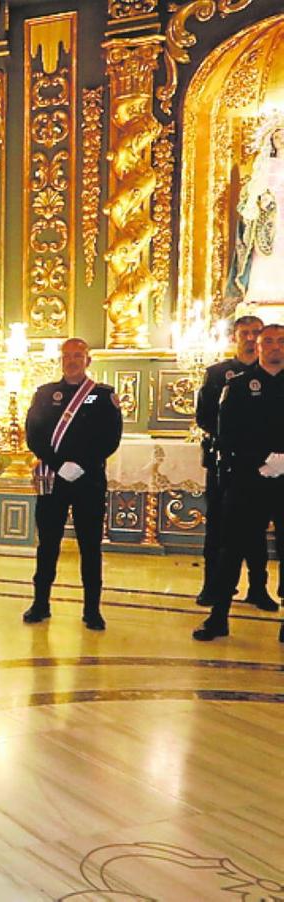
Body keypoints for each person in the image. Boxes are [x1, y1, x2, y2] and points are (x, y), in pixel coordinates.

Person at [21, 338, 123, 631]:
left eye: (78, 355)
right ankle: (40, 603)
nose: (72, 360)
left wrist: (82, 464)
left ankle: (92, 609)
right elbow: (34, 434)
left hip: (87, 480)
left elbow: (110, 437)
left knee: (89, 546)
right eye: (67, 356)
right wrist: (58, 464)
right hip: (53, 478)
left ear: (88, 360)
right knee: (48, 544)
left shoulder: (103, 395)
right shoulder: (45, 394)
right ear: (61, 360)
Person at [194, 323, 284, 642]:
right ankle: (218, 616)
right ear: (258, 347)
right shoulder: (239, 385)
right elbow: (228, 432)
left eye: (281, 341)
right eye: (268, 341)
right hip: (248, 478)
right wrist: (262, 460)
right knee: (231, 547)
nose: (275, 346)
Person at [228, 119, 284, 305]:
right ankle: (264, 294)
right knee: (268, 252)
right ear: (271, 141)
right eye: (277, 137)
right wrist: (262, 198)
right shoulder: (265, 164)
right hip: (270, 217)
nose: (281, 140)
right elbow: (254, 190)